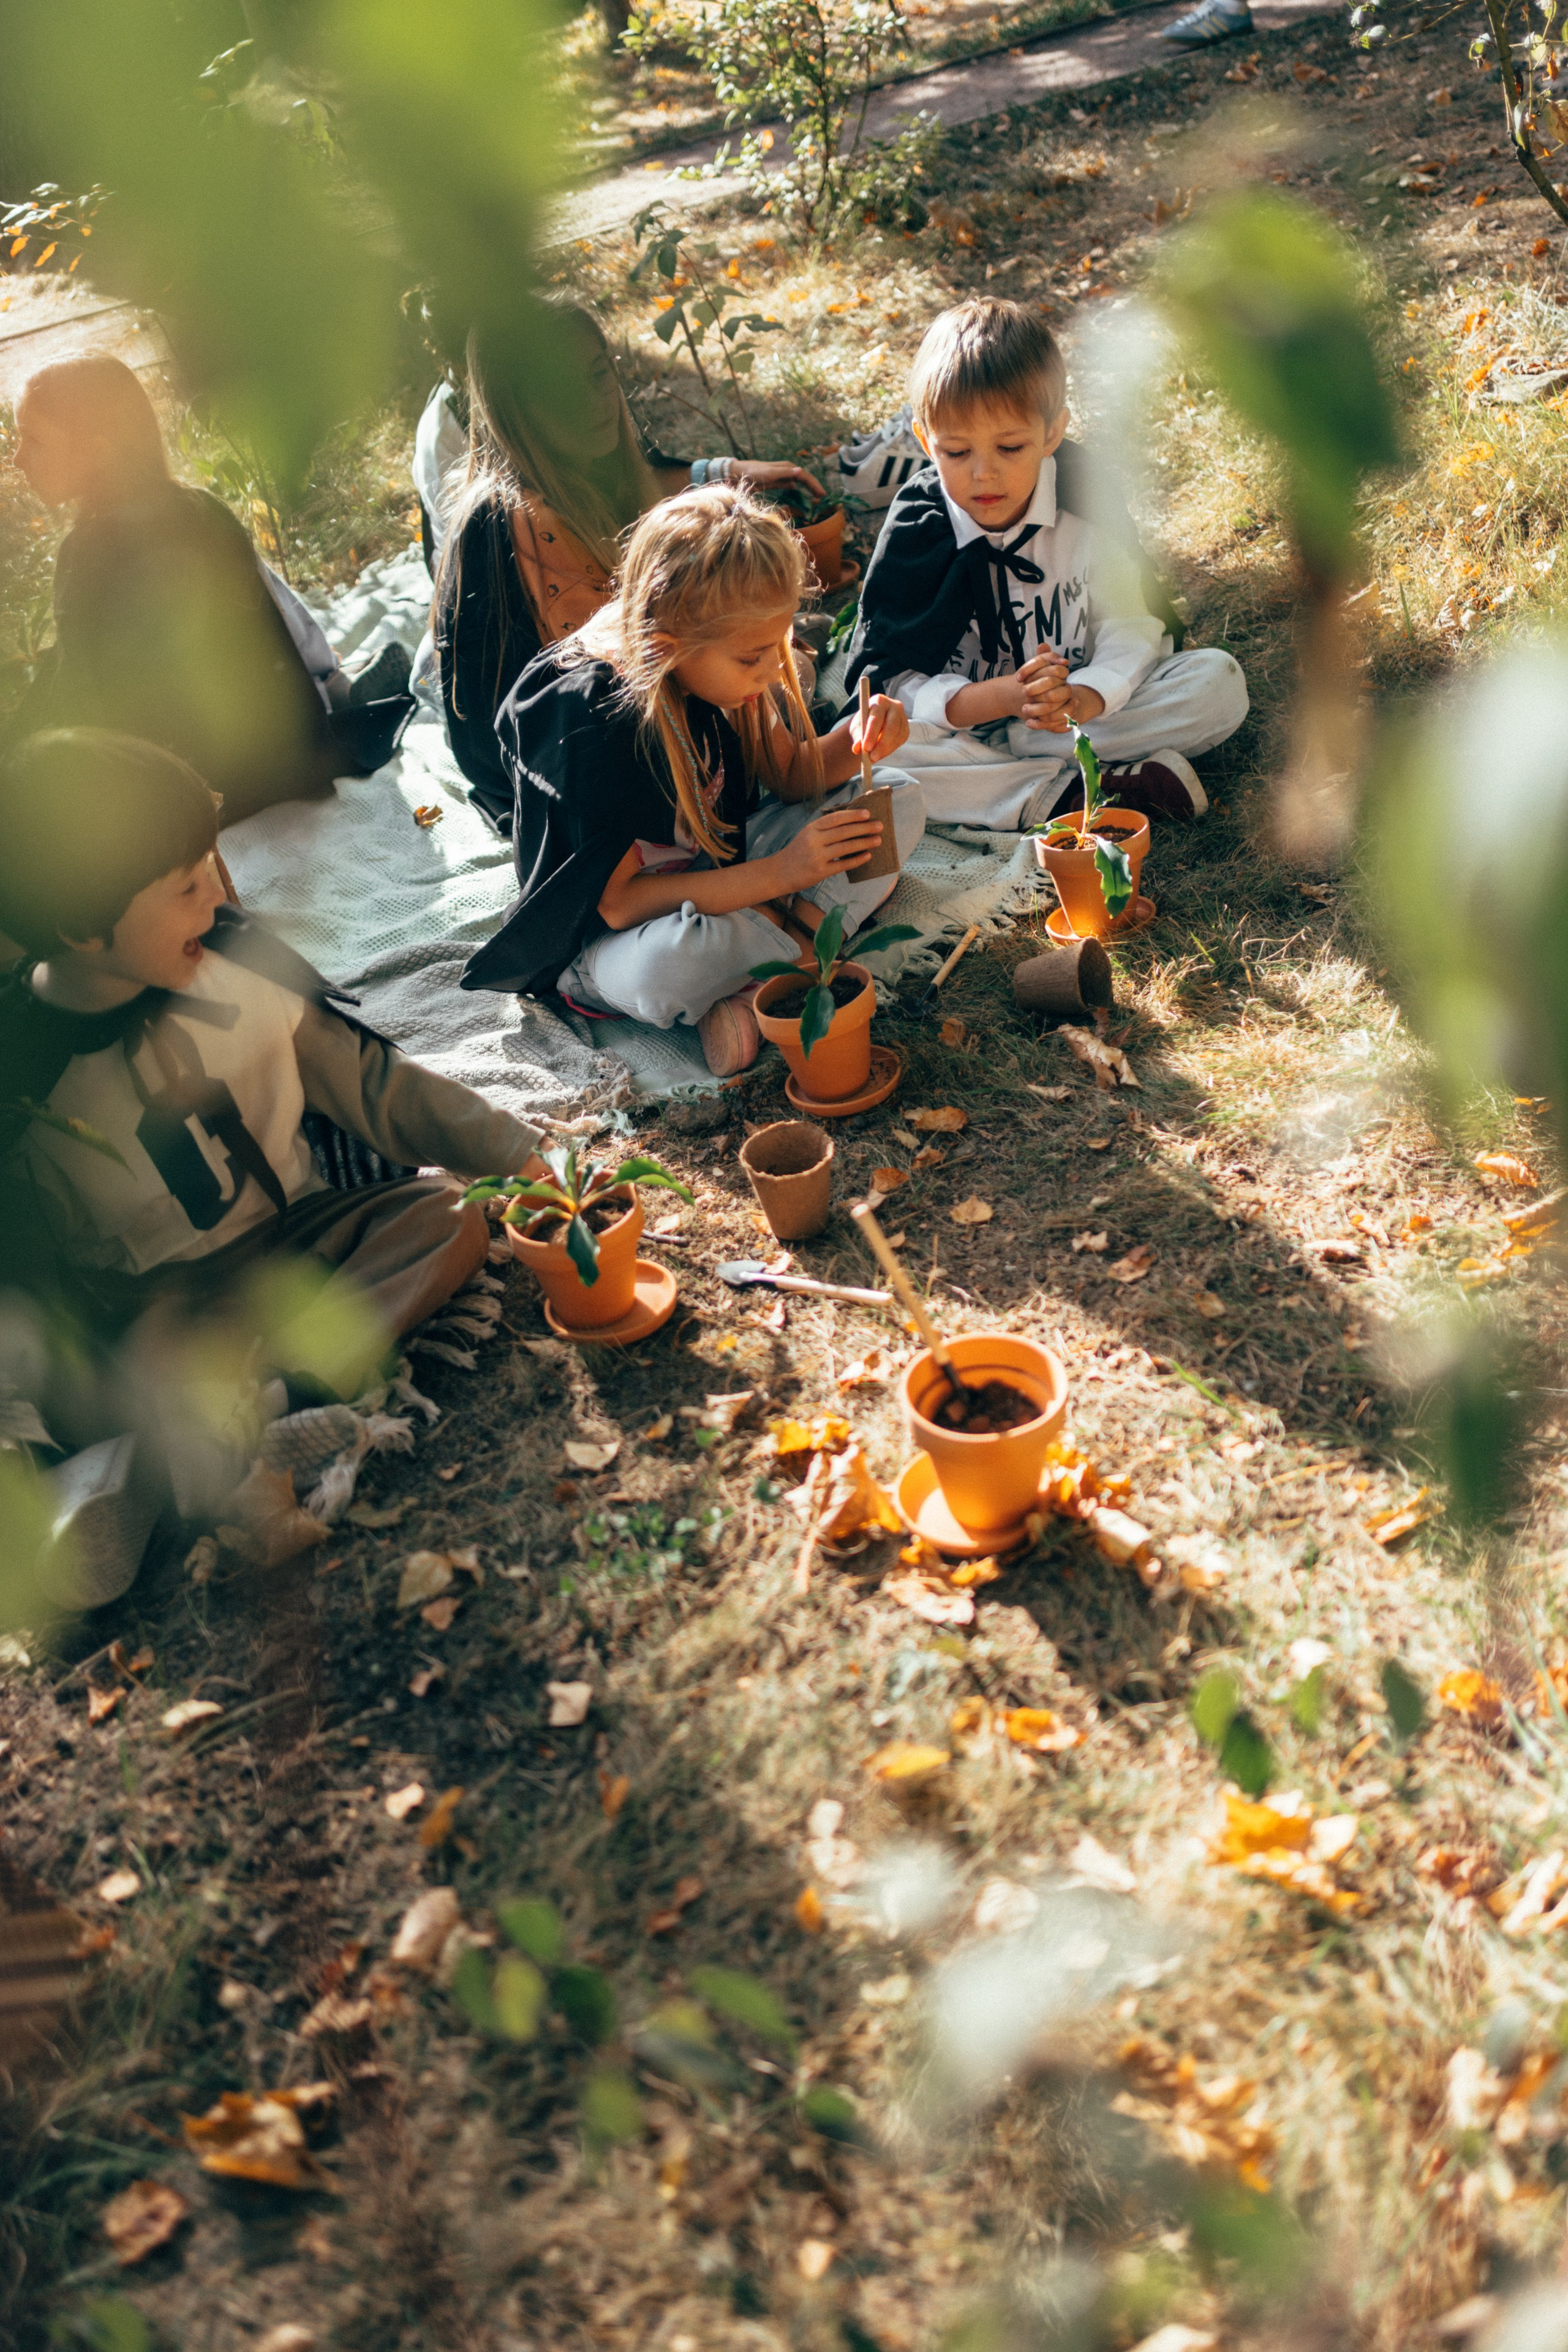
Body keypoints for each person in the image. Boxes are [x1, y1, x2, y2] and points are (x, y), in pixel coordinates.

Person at [0, 728, 543, 1533]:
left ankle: (280, 1398)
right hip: (163, 1304)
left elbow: (375, 1088)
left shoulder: (235, 965)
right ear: (84, 930)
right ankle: (137, 1478)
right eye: (186, 887)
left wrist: (521, 1153)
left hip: (301, 1237)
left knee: (449, 1217)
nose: (219, 900)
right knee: (124, 1381)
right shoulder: (22, 1079)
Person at [461, 484, 924, 1078]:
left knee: (897, 798)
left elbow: (789, 775)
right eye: (752, 658)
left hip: (724, 876)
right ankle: (799, 950)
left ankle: (788, 960)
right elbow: (622, 904)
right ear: (665, 649)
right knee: (666, 969)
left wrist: (859, 736)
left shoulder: (720, 664)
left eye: (775, 648)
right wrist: (784, 875)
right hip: (618, 934)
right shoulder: (595, 719)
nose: (770, 671)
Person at [844, 298, 1249, 832]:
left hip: (1077, 717)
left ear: (1052, 434)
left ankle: (1027, 770)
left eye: (1011, 447)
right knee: (870, 756)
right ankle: (1067, 795)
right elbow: (889, 682)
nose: (983, 475)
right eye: (957, 453)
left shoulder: (1083, 495)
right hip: (963, 729)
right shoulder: (921, 526)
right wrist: (989, 701)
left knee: (1218, 682)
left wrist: (1086, 696)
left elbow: (1132, 621)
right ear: (925, 441)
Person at [432, 300, 826, 832]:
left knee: (784, 665)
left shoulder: (600, 465)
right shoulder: (507, 521)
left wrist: (729, 473)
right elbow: (566, 708)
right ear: (517, 407)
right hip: (571, 757)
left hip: (661, 702)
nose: (594, 402)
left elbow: (661, 477)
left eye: (600, 376)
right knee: (780, 672)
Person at [7, 356, 412, 829]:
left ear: (96, 453)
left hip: (210, 786)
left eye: (33, 440)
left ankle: (348, 690)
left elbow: (89, 705)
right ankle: (346, 691)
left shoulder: (89, 555)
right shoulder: (203, 508)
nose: (16, 458)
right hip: (292, 754)